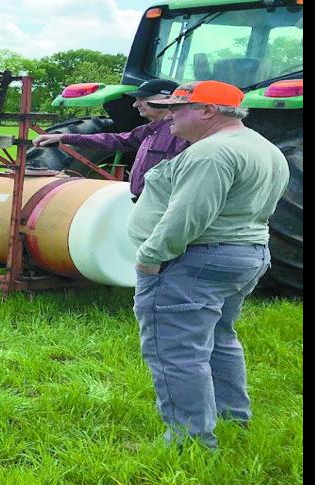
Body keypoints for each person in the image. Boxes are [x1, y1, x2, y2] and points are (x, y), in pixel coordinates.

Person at [128, 80, 289, 449]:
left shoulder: (212, 153)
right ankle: (232, 419)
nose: (169, 115)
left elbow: (188, 216)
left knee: (177, 349)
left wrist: (150, 258)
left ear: (208, 110)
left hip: (196, 259)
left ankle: (189, 441)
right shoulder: (263, 147)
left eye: (178, 108)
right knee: (220, 338)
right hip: (244, 254)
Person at [34, 78, 189, 200]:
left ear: (168, 98)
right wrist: (65, 137)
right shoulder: (149, 130)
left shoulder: (184, 132)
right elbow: (114, 140)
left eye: (143, 98)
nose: (135, 104)